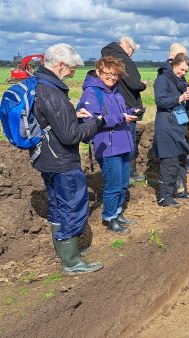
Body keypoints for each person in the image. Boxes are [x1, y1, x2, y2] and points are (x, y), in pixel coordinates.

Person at [32, 43, 104, 274]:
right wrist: (94, 122)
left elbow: (51, 121)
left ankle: (68, 253)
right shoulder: (51, 91)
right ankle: (72, 262)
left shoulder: (41, 85)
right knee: (71, 206)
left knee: (57, 205)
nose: (74, 72)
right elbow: (71, 135)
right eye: (72, 67)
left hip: (48, 157)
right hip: (61, 161)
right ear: (60, 64)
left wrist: (72, 114)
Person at [79, 56, 138, 234]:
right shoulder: (91, 92)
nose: (112, 78)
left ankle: (118, 213)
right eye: (108, 74)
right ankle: (110, 217)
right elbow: (92, 120)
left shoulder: (115, 91)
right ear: (98, 72)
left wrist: (129, 112)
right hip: (107, 145)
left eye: (115, 75)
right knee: (113, 185)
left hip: (123, 142)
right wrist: (121, 117)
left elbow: (117, 113)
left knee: (122, 183)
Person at [153, 53, 189, 207]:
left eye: (186, 71)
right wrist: (180, 98)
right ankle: (165, 197)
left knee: (180, 161)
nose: (183, 73)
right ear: (174, 64)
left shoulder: (180, 82)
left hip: (179, 126)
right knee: (169, 162)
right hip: (166, 126)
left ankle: (180, 191)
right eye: (182, 69)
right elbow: (160, 101)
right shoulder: (162, 79)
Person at [101, 36, 147, 184]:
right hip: (128, 105)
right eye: (132, 51)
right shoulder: (124, 60)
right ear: (126, 46)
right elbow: (134, 84)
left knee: (114, 139)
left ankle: (116, 174)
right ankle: (129, 174)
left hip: (110, 105)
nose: (131, 54)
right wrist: (143, 85)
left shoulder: (106, 57)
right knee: (129, 139)